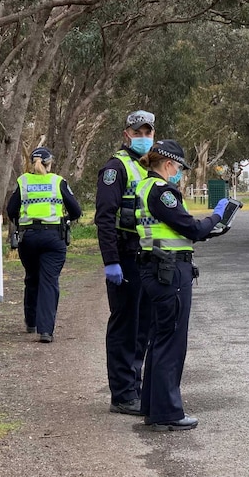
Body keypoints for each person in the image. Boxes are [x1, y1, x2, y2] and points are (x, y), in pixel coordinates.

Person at [134, 140, 228, 431]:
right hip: (169, 271)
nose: (180, 173)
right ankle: (167, 413)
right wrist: (217, 216)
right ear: (168, 164)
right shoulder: (162, 192)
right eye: (178, 168)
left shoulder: (146, 188)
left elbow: (179, 229)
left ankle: (152, 406)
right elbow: (190, 228)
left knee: (160, 339)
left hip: (160, 267)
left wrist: (207, 230)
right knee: (171, 342)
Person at [94, 110, 156, 416]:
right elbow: (104, 218)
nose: (143, 137)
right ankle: (121, 394)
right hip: (124, 256)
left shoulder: (148, 167)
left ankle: (135, 386)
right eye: (138, 132)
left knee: (142, 326)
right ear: (126, 134)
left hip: (145, 256)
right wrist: (111, 261)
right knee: (125, 326)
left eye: (148, 132)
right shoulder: (115, 168)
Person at [6, 147, 82, 343]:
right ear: (49, 163)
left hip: (28, 237)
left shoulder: (23, 181)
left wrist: (22, 220)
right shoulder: (57, 181)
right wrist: (65, 219)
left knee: (32, 277)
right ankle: (45, 331)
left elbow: (11, 209)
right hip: (53, 237)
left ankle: (31, 322)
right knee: (49, 281)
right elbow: (76, 210)